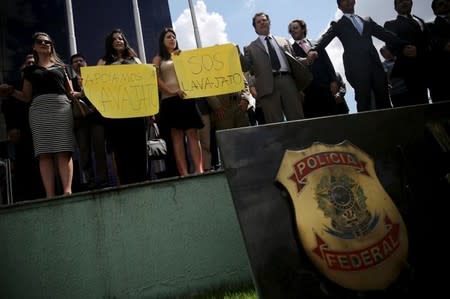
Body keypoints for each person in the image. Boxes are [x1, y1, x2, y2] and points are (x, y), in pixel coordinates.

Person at [0, 32, 75, 198]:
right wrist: (11, 91)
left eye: (47, 42)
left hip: (61, 108)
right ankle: (49, 194)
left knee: (64, 150)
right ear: (34, 47)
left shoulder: (62, 68)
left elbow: (71, 94)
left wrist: (87, 89)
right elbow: (26, 97)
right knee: (44, 152)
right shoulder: (29, 70)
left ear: (51, 46)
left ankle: (67, 191)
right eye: (39, 42)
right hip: (39, 110)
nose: (44, 44)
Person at [312, 0, 414, 112]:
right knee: (363, 100)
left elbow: (385, 34)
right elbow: (324, 38)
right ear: (340, 7)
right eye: (343, 1)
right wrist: (313, 50)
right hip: (356, 68)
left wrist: (404, 44)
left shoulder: (367, 20)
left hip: (375, 66)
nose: (347, 2)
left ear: (354, 1)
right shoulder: (338, 24)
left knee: (384, 99)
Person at [97, 29, 148, 186]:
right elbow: (96, 83)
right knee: (120, 149)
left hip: (137, 111)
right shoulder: (103, 62)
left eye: (121, 38)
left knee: (139, 147)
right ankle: (126, 183)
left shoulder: (135, 60)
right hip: (115, 115)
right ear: (110, 43)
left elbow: (147, 82)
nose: (119, 41)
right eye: (115, 39)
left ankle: (143, 181)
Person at [243, 12, 313, 124]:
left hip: (288, 81)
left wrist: (307, 60)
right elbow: (247, 68)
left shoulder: (284, 41)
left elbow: (294, 60)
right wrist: (237, 56)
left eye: (264, 20)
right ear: (255, 27)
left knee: (298, 120)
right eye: (258, 22)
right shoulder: (250, 48)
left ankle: (301, 141)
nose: (262, 23)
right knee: (275, 124)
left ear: (269, 22)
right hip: (267, 87)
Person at [152, 28, 204, 176]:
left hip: (186, 99)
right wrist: (171, 91)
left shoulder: (182, 55)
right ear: (162, 41)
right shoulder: (158, 59)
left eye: (174, 37)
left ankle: (199, 170)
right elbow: (156, 79)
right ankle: (184, 172)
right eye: (168, 37)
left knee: (193, 134)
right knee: (177, 136)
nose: (172, 39)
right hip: (169, 100)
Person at [0, 54, 44, 201]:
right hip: (22, 130)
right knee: (24, 164)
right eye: (28, 63)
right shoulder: (14, 85)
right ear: (22, 69)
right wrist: (11, 128)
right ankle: (26, 196)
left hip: (42, 128)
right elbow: (7, 107)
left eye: (33, 63)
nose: (31, 65)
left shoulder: (43, 82)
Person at [70, 53, 109, 189]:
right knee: (84, 153)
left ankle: (103, 180)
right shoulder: (69, 82)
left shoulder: (95, 78)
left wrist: (81, 93)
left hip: (97, 120)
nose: (78, 63)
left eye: (81, 60)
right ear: (72, 66)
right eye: (75, 61)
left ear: (86, 63)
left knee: (99, 151)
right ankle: (89, 181)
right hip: (80, 123)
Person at [383, 0, 430, 107]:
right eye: (400, 1)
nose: (404, 3)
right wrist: (402, 50)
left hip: (427, 69)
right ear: (395, 7)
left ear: (411, 3)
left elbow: (428, 41)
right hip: (407, 74)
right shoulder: (391, 24)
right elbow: (391, 43)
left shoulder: (420, 21)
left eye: (407, 0)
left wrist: (420, 50)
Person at [288, 19, 339, 118]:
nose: (293, 31)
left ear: (303, 29)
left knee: (333, 119)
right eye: (291, 30)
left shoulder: (317, 43)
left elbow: (327, 62)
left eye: (295, 28)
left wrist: (334, 80)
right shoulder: (290, 50)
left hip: (326, 88)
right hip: (308, 93)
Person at [427, 0, 450, 102]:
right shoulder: (429, 27)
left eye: (447, 2)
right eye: (440, 4)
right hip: (443, 77)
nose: (445, 4)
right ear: (435, 11)